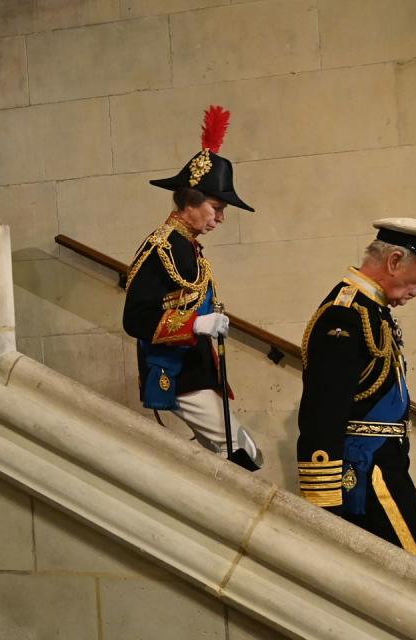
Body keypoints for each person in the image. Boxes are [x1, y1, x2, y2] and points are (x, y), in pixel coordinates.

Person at [297, 218, 416, 574]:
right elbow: (323, 411)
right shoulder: (344, 314)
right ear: (394, 260)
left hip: (385, 468)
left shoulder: (372, 310)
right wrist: (324, 499)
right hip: (367, 474)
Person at [122, 106, 262, 470]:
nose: (220, 217)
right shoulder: (163, 247)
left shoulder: (187, 247)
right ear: (189, 202)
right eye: (215, 207)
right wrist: (196, 325)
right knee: (240, 455)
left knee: (232, 457)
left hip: (199, 370)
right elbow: (136, 318)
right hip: (178, 372)